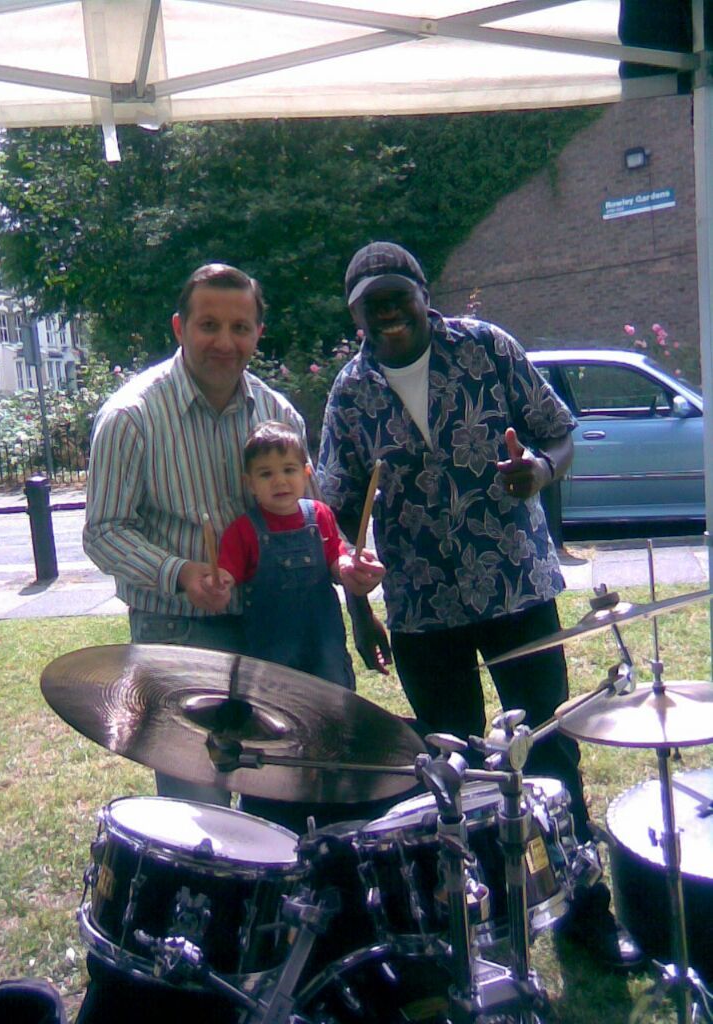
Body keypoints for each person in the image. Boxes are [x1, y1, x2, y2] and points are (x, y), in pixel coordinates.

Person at [317, 240, 644, 971]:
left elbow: (558, 433)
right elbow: (338, 510)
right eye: (371, 305)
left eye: (397, 297)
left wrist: (541, 471)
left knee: (549, 748)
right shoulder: (350, 392)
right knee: (453, 767)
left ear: (423, 294)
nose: (388, 314)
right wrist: (358, 608)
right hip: (421, 607)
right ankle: (481, 925)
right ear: (356, 314)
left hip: (513, 588)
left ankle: (585, 912)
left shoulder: (488, 348)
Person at [83, 262, 307, 806]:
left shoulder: (278, 414)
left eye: (240, 327)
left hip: (271, 627)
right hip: (177, 629)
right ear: (180, 327)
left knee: (277, 800)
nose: (225, 342)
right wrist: (180, 573)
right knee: (199, 810)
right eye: (209, 325)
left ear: (258, 333)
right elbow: (103, 531)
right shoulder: (131, 417)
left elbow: (305, 516)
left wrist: (345, 564)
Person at [200, 419, 385, 689]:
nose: (279, 481)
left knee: (333, 702)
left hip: (325, 644)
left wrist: (346, 565)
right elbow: (227, 573)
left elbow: (335, 556)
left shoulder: (320, 515)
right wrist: (218, 583)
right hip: (271, 650)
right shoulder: (243, 530)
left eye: (289, 470)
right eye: (266, 474)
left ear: (306, 474)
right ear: (249, 483)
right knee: (277, 707)